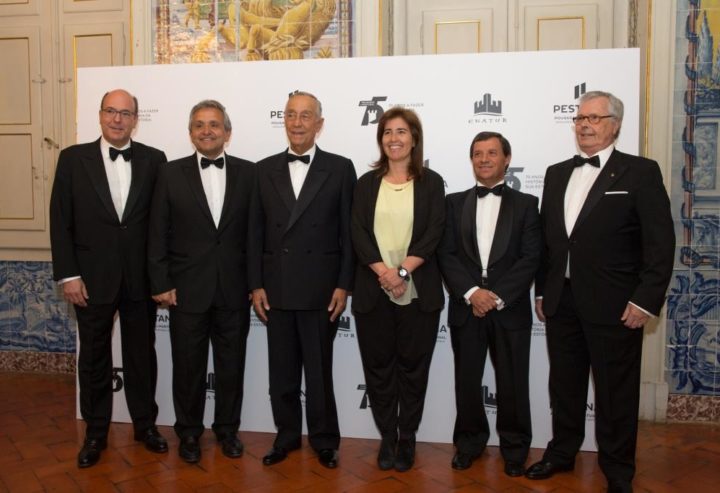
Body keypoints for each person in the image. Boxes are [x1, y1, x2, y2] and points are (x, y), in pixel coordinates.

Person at [529, 91, 675, 493]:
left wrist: (645, 299)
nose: (585, 125)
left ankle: (618, 470)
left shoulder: (640, 172)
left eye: (594, 118)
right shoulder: (557, 173)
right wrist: (543, 292)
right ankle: (561, 454)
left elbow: (660, 245)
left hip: (617, 305)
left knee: (615, 392)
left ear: (616, 125)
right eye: (579, 118)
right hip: (562, 300)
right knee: (565, 385)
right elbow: (551, 242)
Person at [49, 89, 168, 468]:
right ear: (100, 116)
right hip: (91, 279)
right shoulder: (72, 159)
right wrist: (69, 275)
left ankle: (145, 425)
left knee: (141, 356)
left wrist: (160, 276)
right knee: (94, 358)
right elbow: (60, 221)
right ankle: (96, 432)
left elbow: (162, 226)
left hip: (140, 280)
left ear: (136, 119)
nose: (117, 119)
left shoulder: (154, 160)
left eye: (125, 113)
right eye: (111, 112)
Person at [249, 90, 356, 469]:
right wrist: (256, 284)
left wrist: (344, 284)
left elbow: (348, 233)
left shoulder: (341, 168)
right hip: (276, 287)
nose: (297, 122)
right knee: (282, 371)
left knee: (319, 372)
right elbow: (255, 234)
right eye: (291, 115)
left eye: (305, 115)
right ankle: (287, 436)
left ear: (319, 124)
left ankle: (325, 440)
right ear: (284, 121)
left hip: (322, 289)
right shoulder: (263, 169)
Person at [147, 100, 255, 464]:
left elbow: (255, 237)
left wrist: (255, 285)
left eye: (213, 124)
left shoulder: (249, 173)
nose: (206, 131)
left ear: (227, 132)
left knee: (231, 367)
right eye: (198, 125)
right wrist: (160, 281)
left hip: (233, 290)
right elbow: (157, 233)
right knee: (188, 368)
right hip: (186, 290)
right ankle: (189, 433)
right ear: (190, 132)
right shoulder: (169, 173)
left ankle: (227, 430)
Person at [438, 131, 540, 475]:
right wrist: (471, 293)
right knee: (467, 381)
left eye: (492, 153)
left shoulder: (527, 205)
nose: (484, 159)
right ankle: (469, 443)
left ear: (506, 159)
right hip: (466, 307)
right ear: (471, 160)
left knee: (512, 383)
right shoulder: (452, 203)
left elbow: (531, 257)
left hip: (509, 309)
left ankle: (514, 450)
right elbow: (446, 254)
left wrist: (495, 296)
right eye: (478, 154)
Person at [351, 107, 445, 472]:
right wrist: (384, 273)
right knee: (378, 368)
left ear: (414, 138)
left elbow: (434, 231)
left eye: (402, 131)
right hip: (375, 290)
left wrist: (403, 271)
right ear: (381, 139)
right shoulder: (365, 183)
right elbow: (357, 231)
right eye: (388, 132)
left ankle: (408, 437)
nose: (394, 138)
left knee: (413, 368)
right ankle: (387, 437)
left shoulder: (431, 183)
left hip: (418, 292)